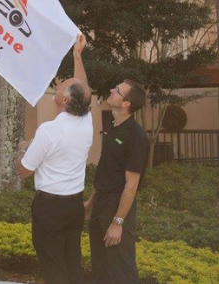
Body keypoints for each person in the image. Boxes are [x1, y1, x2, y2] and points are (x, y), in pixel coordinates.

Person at [17, 34, 94, 284]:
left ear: (64, 100)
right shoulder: (86, 122)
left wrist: (23, 149)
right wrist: (77, 56)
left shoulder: (49, 130)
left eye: (63, 86)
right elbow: (83, 88)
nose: (59, 85)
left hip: (50, 208)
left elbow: (24, 171)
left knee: (54, 268)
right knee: (72, 262)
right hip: (74, 206)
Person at [84, 77, 149, 284]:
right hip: (101, 204)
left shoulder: (136, 136)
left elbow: (131, 184)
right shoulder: (112, 127)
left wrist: (117, 222)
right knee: (100, 267)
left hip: (117, 205)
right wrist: (91, 202)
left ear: (126, 103)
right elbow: (106, 169)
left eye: (117, 90)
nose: (112, 90)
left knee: (121, 269)